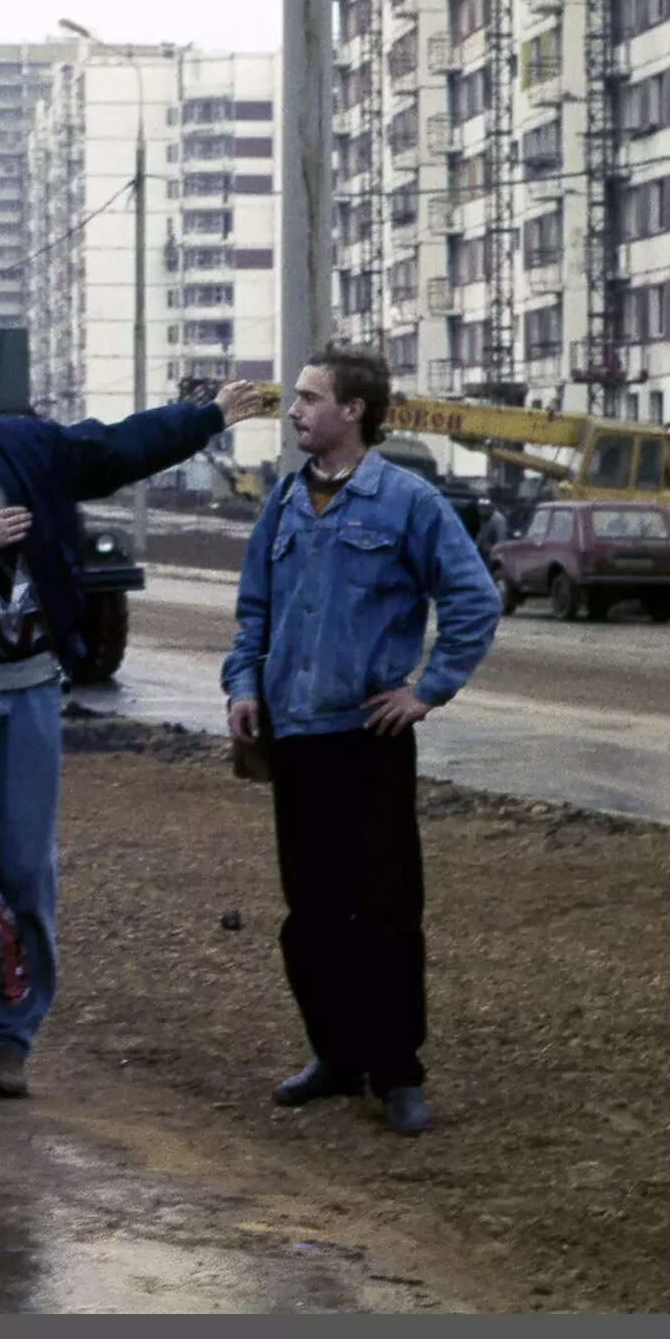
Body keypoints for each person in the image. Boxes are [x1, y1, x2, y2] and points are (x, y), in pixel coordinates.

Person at [0, 325, 266, 1102]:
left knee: (28, 870)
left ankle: (11, 1036)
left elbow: (110, 449)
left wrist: (205, 418)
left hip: (31, 693)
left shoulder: (20, 449)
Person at [221, 345, 501, 1137]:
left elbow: (474, 599)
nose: (296, 410)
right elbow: (253, 614)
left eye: (310, 398)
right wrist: (243, 687)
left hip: (368, 739)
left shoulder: (406, 502)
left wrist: (426, 691)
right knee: (310, 915)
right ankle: (336, 1058)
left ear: (354, 411)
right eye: (296, 398)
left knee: (385, 913)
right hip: (297, 739)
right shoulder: (281, 502)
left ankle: (398, 1071)